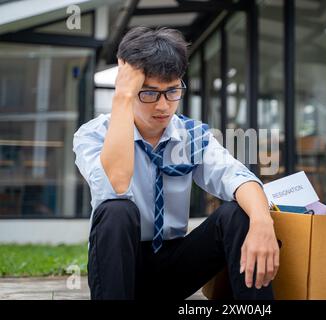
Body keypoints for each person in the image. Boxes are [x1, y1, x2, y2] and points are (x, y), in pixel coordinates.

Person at [73, 26, 279, 300]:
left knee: (240, 212)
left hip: (175, 264)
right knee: (116, 210)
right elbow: (117, 185)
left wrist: (262, 221)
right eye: (149, 93)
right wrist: (121, 97)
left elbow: (236, 176)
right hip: (121, 267)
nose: (162, 106)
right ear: (128, 86)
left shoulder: (191, 135)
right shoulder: (93, 134)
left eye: (172, 91)